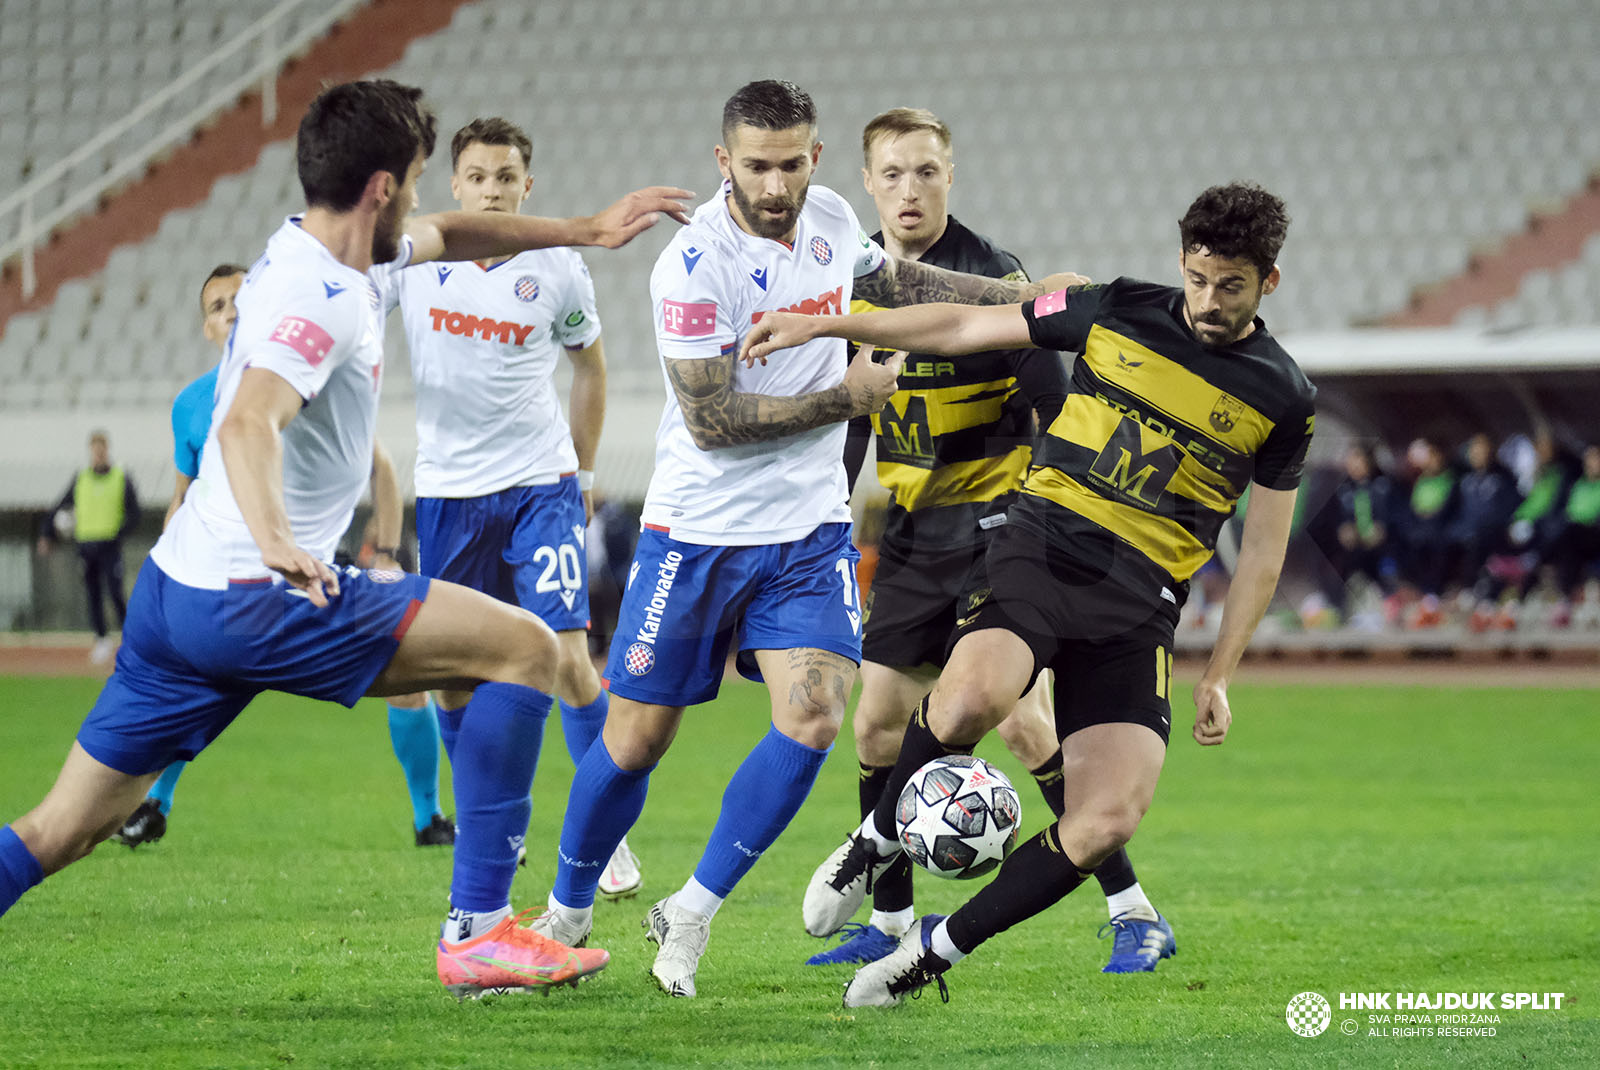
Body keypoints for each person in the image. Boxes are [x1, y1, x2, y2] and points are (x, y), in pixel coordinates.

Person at [0, 78, 693, 1002]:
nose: (424, 202)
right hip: (255, 595)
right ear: (382, 187)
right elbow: (247, 422)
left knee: (61, 830)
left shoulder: (317, 242)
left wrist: (585, 230)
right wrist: (281, 539)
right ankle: (481, 932)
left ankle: (496, 909)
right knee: (526, 648)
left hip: (173, 599)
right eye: (414, 179)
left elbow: (454, 234)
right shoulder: (324, 294)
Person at [525, 80, 1080, 999]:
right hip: (695, 533)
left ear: (815, 160)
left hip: (808, 534)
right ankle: (569, 911)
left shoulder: (827, 218)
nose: (776, 185)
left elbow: (896, 283)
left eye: (790, 163)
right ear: (723, 163)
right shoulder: (691, 265)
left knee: (818, 717)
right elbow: (709, 418)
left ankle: (693, 912)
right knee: (636, 739)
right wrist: (845, 400)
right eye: (756, 166)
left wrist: (1024, 298)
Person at [744, 181, 1315, 1007]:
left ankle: (929, 955)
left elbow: (1263, 551)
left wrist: (1220, 671)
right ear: (1181, 264)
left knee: (1106, 819)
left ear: (1269, 280)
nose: (1209, 301)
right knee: (973, 696)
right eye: (1198, 279)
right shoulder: (1115, 308)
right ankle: (874, 841)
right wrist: (827, 322)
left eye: (1231, 285)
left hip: (1141, 605)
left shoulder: (1284, 396)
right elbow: (961, 324)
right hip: (1041, 548)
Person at [808, 107, 1172, 974]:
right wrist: (829, 517)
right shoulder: (852, 282)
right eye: (893, 174)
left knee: (1025, 725)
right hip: (909, 534)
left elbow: (1056, 412)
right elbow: (853, 420)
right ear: (867, 181)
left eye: (926, 172)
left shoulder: (994, 277)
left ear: (950, 176)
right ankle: (891, 925)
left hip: (998, 530)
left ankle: (1134, 911)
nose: (909, 189)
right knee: (877, 729)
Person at [115, 267, 455, 851]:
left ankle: (430, 818)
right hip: (229, 583)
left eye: (242, 299)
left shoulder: (304, 377)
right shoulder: (192, 405)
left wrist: (391, 555)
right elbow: (183, 496)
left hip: (317, 567)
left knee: (413, 679)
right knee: (184, 686)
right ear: (207, 327)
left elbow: (382, 468)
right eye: (218, 304)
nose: (231, 311)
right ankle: (153, 803)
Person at [392, 116, 638, 897]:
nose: (493, 190)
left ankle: (609, 833)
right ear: (453, 184)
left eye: (507, 177)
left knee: (566, 651)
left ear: (527, 187)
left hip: (541, 485)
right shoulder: (411, 258)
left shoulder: (559, 267)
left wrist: (587, 471)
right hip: (448, 496)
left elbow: (591, 370)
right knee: (454, 674)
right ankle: (488, 829)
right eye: (478, 176)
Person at [36, 431, 142, 664]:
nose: (98, 454)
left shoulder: (120, 476)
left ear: (107, 449)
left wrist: (119, 533)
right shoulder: (81, 478)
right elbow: (59, 505)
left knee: (115, 593)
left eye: (102, 449)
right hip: (86, 545)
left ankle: (130, 641)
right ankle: (101, 640)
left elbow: (135, 512)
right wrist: (46, 534)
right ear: (90, 451)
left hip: (110, 546)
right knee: (93, 593)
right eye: (95, 450)